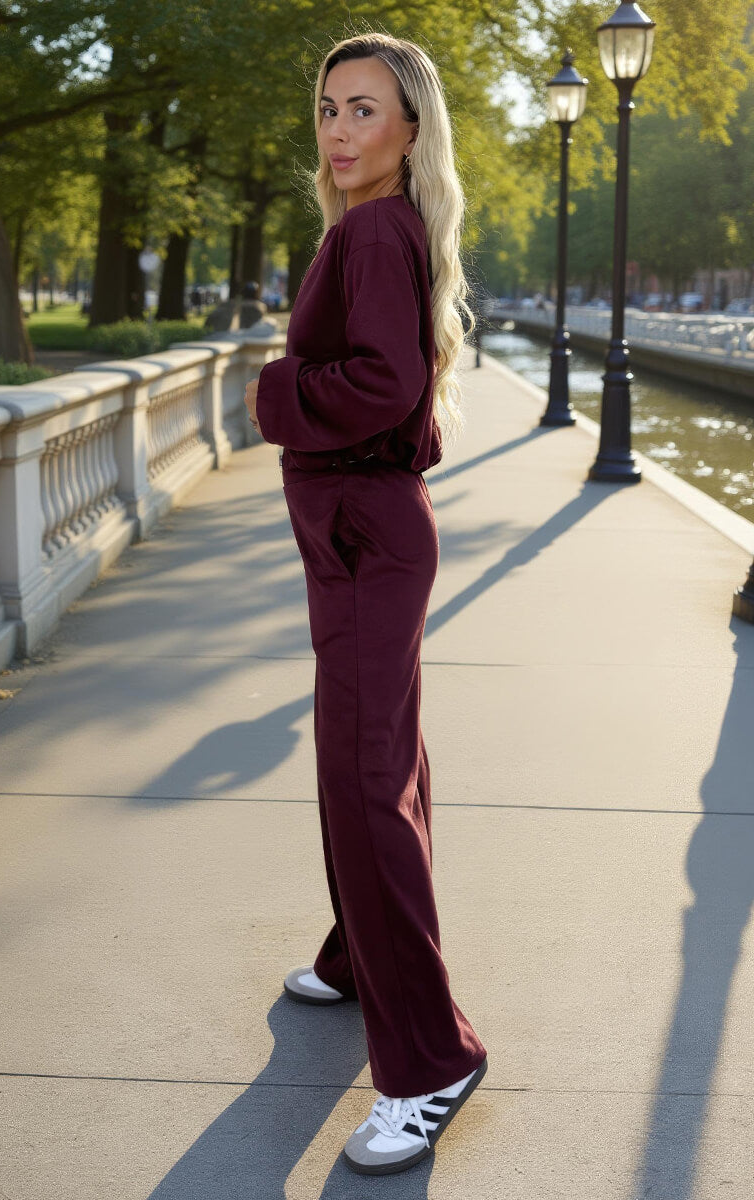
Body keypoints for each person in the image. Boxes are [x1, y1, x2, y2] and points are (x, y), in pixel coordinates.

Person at [244, 31, 488, 1176]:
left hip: (361, 530)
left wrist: (270, 387)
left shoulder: (379, 229)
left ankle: (430, 1058)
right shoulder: (376, 226)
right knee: (380, 756)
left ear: (408, 129)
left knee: (359, 768)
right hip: (364, 530)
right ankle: (357, 957)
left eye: (365, 110)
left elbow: (381, 384)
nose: (340, 130)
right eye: (329, 107)